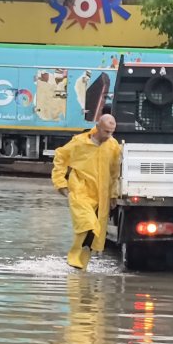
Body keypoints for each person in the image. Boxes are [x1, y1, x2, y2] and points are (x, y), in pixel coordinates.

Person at [51, 114, 121, 270]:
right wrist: (61, 183)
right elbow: (61, 157)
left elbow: (115, 172)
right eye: (106, 131)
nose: (109, 135)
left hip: (101, 194)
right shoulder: (80, 142)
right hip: (80, 191)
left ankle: (81, 264)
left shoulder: (113, 146)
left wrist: (113, 194)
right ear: (98, 127)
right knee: (87, 223)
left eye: (111, 132)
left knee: (95, 231)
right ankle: (74, 256)